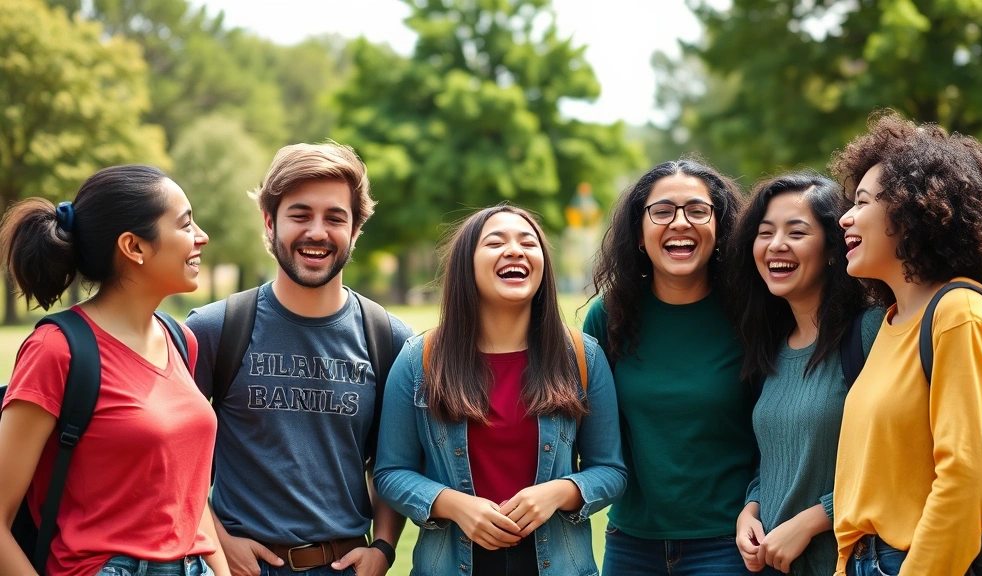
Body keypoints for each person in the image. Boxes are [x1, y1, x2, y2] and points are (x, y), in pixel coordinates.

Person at [186, 143, 412, 576]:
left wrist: (383, 547)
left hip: (344, 565)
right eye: (300, 215)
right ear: (270, 223)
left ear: (356, 230)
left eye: (335, 218)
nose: (317, 232)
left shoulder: (389, 338)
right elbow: (170, 458)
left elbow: (393, 462)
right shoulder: (214, 330)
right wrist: (216, 539)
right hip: (239, 567)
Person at [373, 204, 626, 576]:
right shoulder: (419, 360)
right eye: (495, 242)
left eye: (528, 242)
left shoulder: (582, 356)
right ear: (466, 265)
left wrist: (557, 493)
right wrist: (452, 504)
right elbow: (391, 472)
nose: (514, 250)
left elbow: (610, 470)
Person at [0, 165, 227, 576]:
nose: (201, 236)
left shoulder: (181, 341)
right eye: (186, 224)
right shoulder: (57, 350)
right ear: (134, 246)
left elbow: (186, 497)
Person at [828, 112, 982, 574]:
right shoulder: (893, 323)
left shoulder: (960, 316)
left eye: (862, 202)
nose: (845, 218)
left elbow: (971, 479)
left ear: (914, 211)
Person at [584, 157, 757, 574]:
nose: (680, 222)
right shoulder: (608, 317)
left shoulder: (752, 316)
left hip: (730, 543)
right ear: (639, 235)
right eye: (662, 211)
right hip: (630, 544)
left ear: (721, 228)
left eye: (698, 210)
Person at [728, 173, 883, 575]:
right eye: (765, 233)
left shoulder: (870, 332)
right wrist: (751, 507)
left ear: (833, 248)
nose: (776, 245)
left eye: (796, 232)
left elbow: (901, 457)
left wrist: (814, 520)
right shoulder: (770, 347)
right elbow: (778, 458)